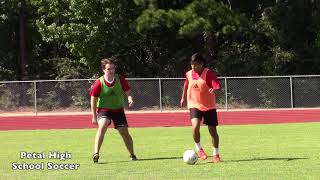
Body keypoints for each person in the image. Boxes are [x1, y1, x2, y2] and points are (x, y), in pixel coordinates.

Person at [90, 57, 137, 163]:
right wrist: (94, 116)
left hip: (118, 110)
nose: (111, 71)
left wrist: (130, 99)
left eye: (112, 68)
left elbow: (128, 92)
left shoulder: (120, 79)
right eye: (108, 69)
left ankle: (132, 154)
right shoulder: (99, 82)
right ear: (104, 70)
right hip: (104, 109)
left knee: (124, 132)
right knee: (102, 126)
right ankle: (96, 153)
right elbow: (93, 100)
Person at [180, 53, 221, 163]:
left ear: (202, 64)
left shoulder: (208, 73)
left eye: (196, 65)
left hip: (209, 106)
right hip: (194, 104)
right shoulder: (189, 74)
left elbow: (216, 85)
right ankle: (199, 149)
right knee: (195, 126)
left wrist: (215, 89)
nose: (193, 67)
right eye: (192, 65)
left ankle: (216, 154)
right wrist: (183, 98)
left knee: (212, 130)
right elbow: (186, 84)